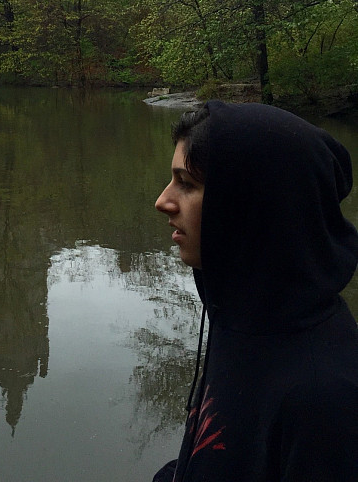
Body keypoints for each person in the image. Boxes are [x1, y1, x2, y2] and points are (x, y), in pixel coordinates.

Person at [152, 100, 358, 482]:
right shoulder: (240, 318)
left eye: (188, 184)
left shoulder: (325, 401)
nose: (163, 201)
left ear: (251, 204)